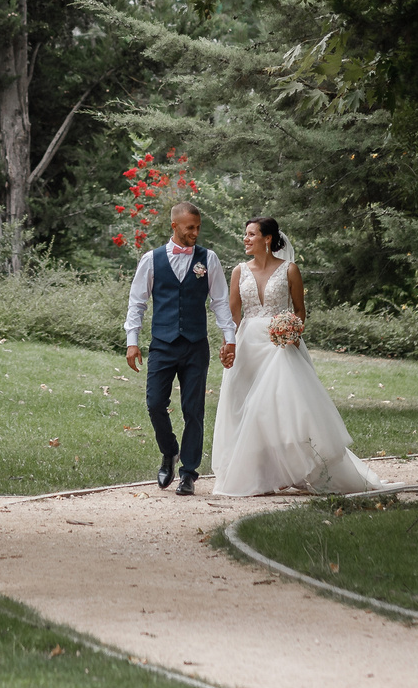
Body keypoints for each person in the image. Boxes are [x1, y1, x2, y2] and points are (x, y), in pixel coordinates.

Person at [210, 215, 383, 497]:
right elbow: (233, 313)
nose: (246, 239)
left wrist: (292, 331)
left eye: (252, 234)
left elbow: (300, 310)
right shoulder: (239, 271)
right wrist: (228, 344)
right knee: (243, 406)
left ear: (267, 239)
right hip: (248, 347)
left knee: (274, 409)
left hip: (280, 347)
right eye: (246, 234)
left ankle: (288, 471)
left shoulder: (290, 269)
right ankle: (258, 475)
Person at [122, 201, 237, 495]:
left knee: (193, 410)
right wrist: (132, 342)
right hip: (162, 344)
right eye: (190, 228)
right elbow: (137, 302)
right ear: (174, 226)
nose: (195, 233)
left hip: (196, 346)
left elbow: (220, 302)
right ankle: (169, 450)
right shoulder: (152, 259)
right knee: (155, 404)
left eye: (198, 227)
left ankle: (188, 472)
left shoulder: (208, 259)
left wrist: (230, 336)